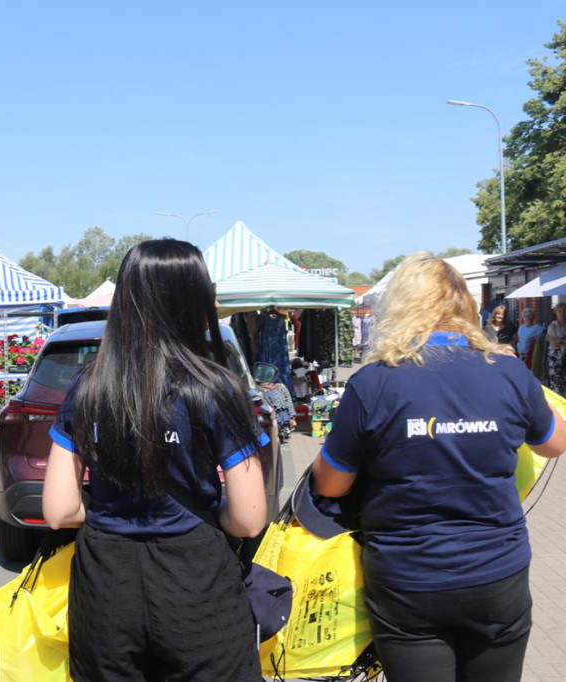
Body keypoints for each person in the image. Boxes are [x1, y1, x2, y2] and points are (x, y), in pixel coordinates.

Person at [311, 253, 566, 682]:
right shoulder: (508, 372)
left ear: (400, 306)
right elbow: (555, 444)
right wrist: (518, 390)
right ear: (466, 306)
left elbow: (332, 486)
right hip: (497, 574)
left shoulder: (373, 382)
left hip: (408, 581)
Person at [43, 238, 267, 682]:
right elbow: (249, 519)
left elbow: (59, 510)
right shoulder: (214, 388)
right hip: (198, 580)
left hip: (105, 585)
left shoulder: (88, 388)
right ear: (194, 297)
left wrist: (110, 511)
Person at [546, 303, 566, 395]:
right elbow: (554, 341)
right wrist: (562, 341)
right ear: (556, 313)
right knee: (556, 380)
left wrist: (560, 341)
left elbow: (559, 341)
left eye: (564, 311)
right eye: (560, 311)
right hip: (555, 356)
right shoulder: (552, 326)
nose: (562, 313)